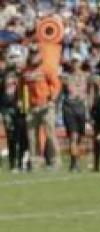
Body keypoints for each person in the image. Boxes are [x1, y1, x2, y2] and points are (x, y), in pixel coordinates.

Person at [21, 48, 61, 170]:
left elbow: (56, 84)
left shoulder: (46, 68)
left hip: (46, 106)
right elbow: (21, 86)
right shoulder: (25, 71)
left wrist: (52, 99)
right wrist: (21, 101)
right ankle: (35, 162)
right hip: (32, 107)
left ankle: (55, 161)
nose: (34, 56)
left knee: (50, 135)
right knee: (32, 136)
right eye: (32, 53)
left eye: (36, 53)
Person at [0, 44, 28, 173]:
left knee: (22, 135)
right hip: (7, 107)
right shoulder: (3, 73)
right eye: (12, 57)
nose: (14, 60)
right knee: (11, 135)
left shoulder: (25, 73)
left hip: (22, 108)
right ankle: (12, 163)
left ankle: (22, 161)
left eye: (16, 57)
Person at [61, 54, 89, 172]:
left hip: (81, 108)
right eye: (73, 62)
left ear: (81, 62)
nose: (75, 64)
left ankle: (76, 160)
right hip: (69, 108)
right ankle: (74, 163)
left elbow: (91, 91)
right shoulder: (66, 77)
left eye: (77, 61)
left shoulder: (87, 76)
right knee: (73, 136)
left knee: (80, 137)